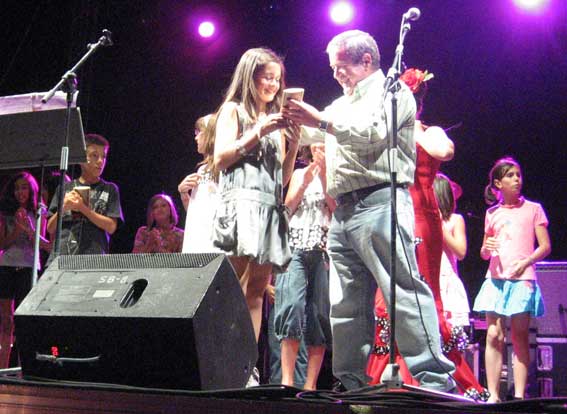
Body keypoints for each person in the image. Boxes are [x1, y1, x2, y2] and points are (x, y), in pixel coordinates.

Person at [283, 30, 455, 392]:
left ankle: (434, 380)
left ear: (366, 61)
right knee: (345, 304)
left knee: (402, 291)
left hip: (381, 201)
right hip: (344, 211)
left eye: (341, 67)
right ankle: (352, 383)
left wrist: (319, 122)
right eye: (332, 68)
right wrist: (284, 122)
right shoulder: (343, 102)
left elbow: (373, 132)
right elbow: (318, 132)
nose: (336, 75)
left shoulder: (393, 94)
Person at [366, 68, 486, 399]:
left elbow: (445, 151)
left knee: (422, 289)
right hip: (388, 213)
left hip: (422, 215)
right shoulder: (382, 129)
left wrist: (407, 130)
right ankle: (385, 375)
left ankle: (433, 372)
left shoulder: (427, 131)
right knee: (387, 292)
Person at [211, 48, 300, 384]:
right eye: (267, 77)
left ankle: (246, 366)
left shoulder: (276, 121)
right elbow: (221, 158)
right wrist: (259, 132)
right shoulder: (233, 111)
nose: (273, 85)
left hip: (268, 207)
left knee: (257, 292)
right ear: (250, 77)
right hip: (241, 203)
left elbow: (284, 175)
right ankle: (220, 360)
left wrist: (291, 145)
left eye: (277, 79)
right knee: (232, 288)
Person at [473, 157, 551, 402]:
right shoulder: (492, 213)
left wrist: (524, 263)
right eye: (510, 175)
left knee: (519, 336)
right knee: (493, 335)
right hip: (495, 279)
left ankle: (518, 395)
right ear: (498, 183)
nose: (516, 179)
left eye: (518, 174)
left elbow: (545, 246)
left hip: (521, 279)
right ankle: (494, 395)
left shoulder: (533, 209)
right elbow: (484, 251)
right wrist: (487, 248)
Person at [274, 143, 334, 389]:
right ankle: (287, 381)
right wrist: (305, 182)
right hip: (296, 246)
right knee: (292, 307)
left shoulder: (336, 173)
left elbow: (336, 208)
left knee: (319, 315)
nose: (319, 150)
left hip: (323, 250)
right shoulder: (300, 173)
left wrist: (324, 176)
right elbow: (287, 209)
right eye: (316, 146)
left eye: (324, 146)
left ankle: (310, 385)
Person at [0, 171, 50, 367]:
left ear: (31, 190)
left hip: (29, 268)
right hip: (6, 267)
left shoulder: (39, 212)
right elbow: (2, 244)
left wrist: (28, 228)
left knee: (24, 321)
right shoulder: (5, 213)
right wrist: (17, 229)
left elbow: (44, 244)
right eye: (16, 188)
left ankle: (23, 367)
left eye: (24, 187)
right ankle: (3, 367)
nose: (20, 192)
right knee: (6, 321)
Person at [47, 133, 123, 256]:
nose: (100, 161)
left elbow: (111, 227)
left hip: (94, 257)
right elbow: (50, 228)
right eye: (94, 155)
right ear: (81, 159)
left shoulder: (110, 189)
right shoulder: (65, 188)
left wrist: (83, 208)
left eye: (104, 156)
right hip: (63, 255)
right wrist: (63, 206)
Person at [178, 114, 222, 253]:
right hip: (197, 240)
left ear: (210, 134)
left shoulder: (224, 168)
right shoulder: (202, 170)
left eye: (199, 133)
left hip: (215, 242)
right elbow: (195, 213)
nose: (196, 138)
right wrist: (183, 193)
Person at [434, 173, 471, 328]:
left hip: (447, 281)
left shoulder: (455, 220)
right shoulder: (419, 219)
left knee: (450, 338)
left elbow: (461, 252)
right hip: (426, 280)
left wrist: (440, 225)